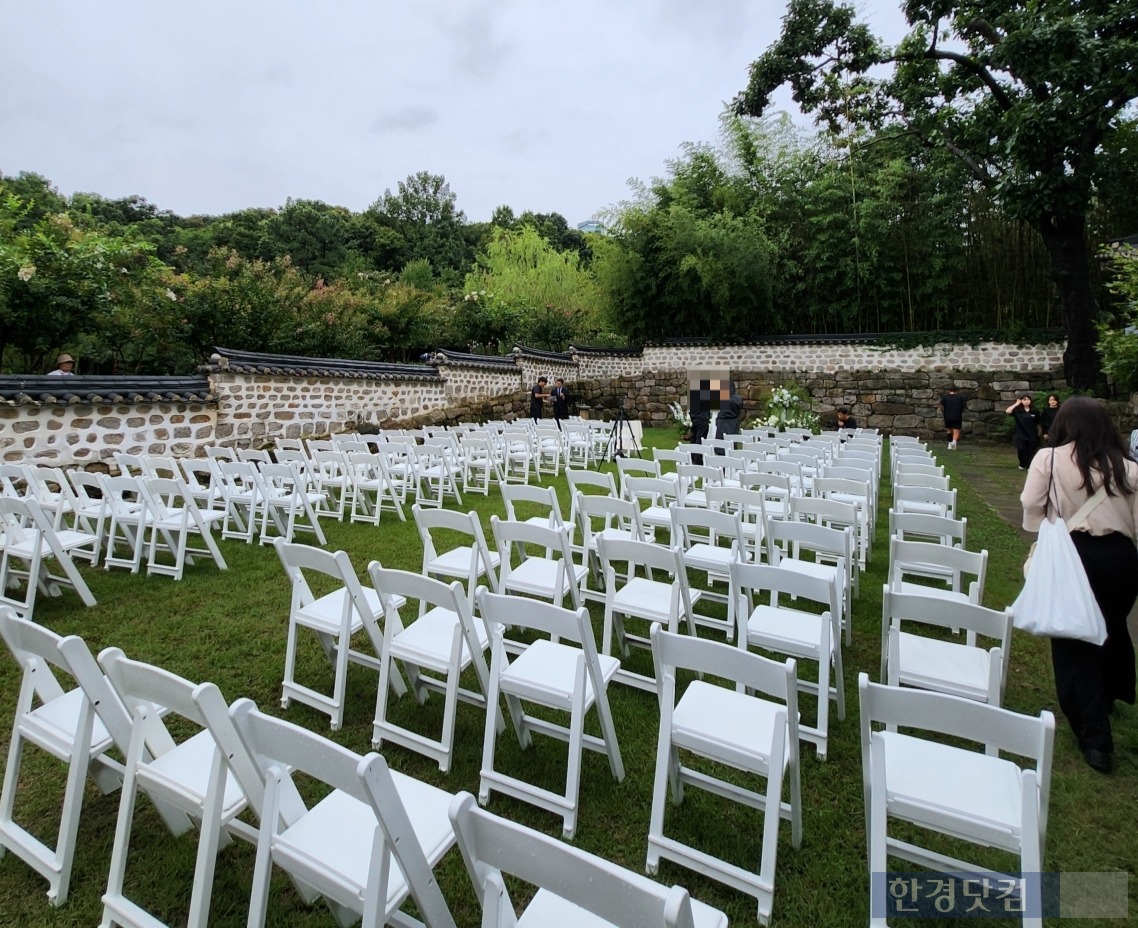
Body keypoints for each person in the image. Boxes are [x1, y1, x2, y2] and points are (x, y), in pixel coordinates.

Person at [1020, 397, 1138, 773]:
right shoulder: (1127, 468)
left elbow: (1030, 504)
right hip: (1121, 558)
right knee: (1112, 625)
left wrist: (1046, 528)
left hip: (1074, 555)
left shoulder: (1050, 459)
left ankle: (1095, 738)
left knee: (1074, 640)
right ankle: (1109, 695)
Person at [1006, 394, 1040, 469]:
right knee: (1021, 449)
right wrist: (1016, 403)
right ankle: (1022, 463)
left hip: (1032, 434)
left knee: (1030, 451)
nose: (1026, 401)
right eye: (1024, 400)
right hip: (1020, 434)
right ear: (1021, 401)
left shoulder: (1034, 411)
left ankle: (1029, 466)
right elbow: (1008, 411)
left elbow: (1038, 422)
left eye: (1028, 399)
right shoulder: (1017, 410)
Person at [714, 381, 743, 452]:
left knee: (722, 443)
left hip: (723, 421)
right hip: (732, 422)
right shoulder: (737, 399)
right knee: (731, 442)